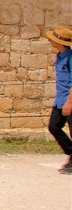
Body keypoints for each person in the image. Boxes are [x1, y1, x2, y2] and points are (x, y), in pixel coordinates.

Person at [44, 25, 72, 175]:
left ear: (60, 42)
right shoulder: (60, 57)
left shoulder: (71, 58)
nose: (50, 41)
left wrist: (69, 103)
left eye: (53, 39)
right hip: (60, 100)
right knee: (53, 126)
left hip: (69, 100)